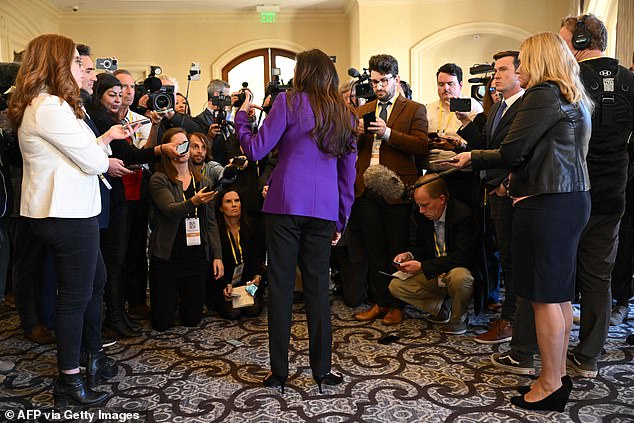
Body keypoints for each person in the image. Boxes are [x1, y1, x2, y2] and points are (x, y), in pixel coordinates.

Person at [450, 32, 592, 412]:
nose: (521, 68)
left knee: (544, 299)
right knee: (559, 298)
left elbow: (512, 151)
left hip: (546, 203)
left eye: (525, 60)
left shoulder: (542, 94)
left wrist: (471, 158)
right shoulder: (573, 96)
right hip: (572, 199)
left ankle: (548, 382)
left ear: (541, 61)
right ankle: (556, 376)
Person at [7, 33, 139, 406]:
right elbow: (94, 162)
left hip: (72, 210)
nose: (84, 69)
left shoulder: (56, 105)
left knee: (94, 282)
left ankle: (92, 356)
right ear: (57, 63)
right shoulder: (48, 107)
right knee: (75, 297)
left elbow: (82, 153)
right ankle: (69, 379)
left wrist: (107, 136)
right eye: (77, 62)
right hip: (63, 213)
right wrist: (101, 148)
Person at [235, 49, 357, 393]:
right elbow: (348, 174)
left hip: (285, 204)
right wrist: (341, 219)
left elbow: (256, 150)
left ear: (301, 73)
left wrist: (242, 118)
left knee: (282, 287)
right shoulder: (345, 114)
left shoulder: (288, 102)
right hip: (324, 210)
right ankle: (322, 371)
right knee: (318, 290)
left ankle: (279, 373)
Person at [352, 54, 428, 326]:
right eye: (374, 82)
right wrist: (357, 133)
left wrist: (387, 133)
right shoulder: (363, 110)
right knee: (373, 249)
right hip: (366, 186)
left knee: (397, 246)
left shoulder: (414, 108)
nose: (378, 87)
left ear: (396, 79)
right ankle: (379, 302)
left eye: (384, 81)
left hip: (396, 186)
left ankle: (397, 305)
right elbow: (349, 149)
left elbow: (421, 146)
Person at [456, 50, 524, 344]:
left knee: (512, 260)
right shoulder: (498, 107)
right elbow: (487, 144)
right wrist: (467, 124)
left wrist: (507, 183)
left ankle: (511, 322)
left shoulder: (526, 107)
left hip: (512, 192)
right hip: (493, 191)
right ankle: (508, 317)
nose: (495, 75)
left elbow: (519, 153)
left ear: (520, 74)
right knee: (504, 256)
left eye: (502, 70)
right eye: (495, 70)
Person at [148, 127, 223, 331]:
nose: (183, 150)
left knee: (192, 319)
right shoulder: (159, 179)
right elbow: (171, 209)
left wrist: (217, 256)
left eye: (186, 145)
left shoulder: (203, 181)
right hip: (167, 257)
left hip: (195, 256)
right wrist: (194, 201)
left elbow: (210, 222)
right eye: (178, 145)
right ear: (167, 149)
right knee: (161, 323)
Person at [389, 174, 476, 334]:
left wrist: (422, 266)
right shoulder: (421, 215)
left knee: (460, 277)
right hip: (435, 272)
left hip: (455, 270)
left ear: (442, 199)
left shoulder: (462, 214)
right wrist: (410, 255)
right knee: (396, 285)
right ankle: (442, 308)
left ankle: (459, 318)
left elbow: (463, 257)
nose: (421, 210)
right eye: (419, 205)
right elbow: (422, 247)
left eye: (425, 205)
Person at [212, 189, 266, 319]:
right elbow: (212, 263)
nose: (234, 204)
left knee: (254, 310)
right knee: (233, 313)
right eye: (228, 202)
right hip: (225, 281)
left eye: (237, 201)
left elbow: (258, 255)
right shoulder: (215, 231)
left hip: (248, 280)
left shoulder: (253, 226)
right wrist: (224, 284)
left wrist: (257, 276)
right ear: (220, 208)